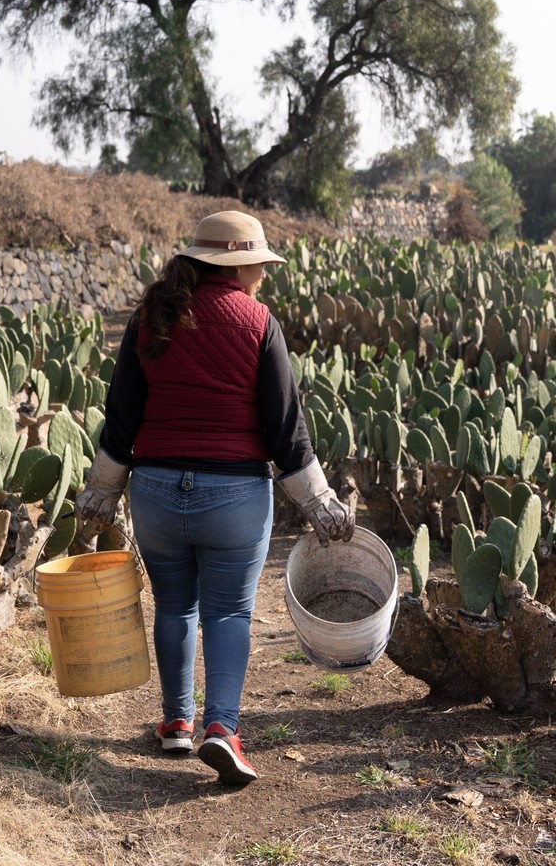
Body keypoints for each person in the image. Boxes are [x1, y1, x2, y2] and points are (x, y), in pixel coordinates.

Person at [74, 210, 354, 788]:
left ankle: (176, 721)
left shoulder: (152, 317)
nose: (264, 275)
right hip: (234, 495)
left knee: (175, 604)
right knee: (228, 611)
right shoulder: (257, 321)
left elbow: (123, 416)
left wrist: (102, 490)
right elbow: (286, 429)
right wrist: (319, 500)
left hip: (153, 490)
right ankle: (221, 729)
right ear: (238, 262)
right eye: (260, 263)